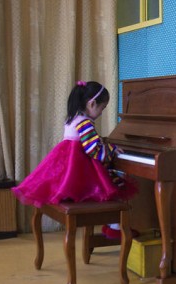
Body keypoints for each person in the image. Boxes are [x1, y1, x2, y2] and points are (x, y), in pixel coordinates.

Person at [13, 80, 138, 238]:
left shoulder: (72, 118)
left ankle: (112, 225)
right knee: (112, 186)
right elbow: (94, 151)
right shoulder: (85, 123)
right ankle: (114, 227)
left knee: (111, 184)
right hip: (81, 168)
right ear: (92, 104)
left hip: (68, 165)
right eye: (102, 108)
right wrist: (112, 150)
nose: (101, 112)